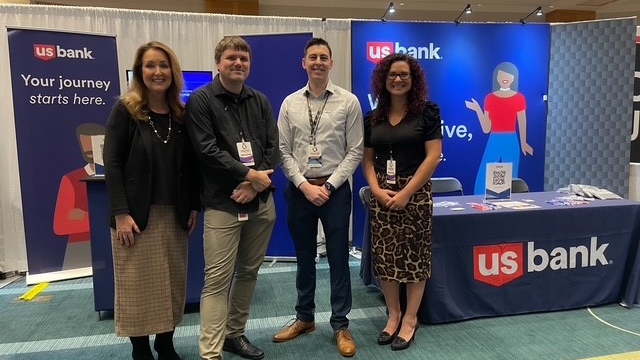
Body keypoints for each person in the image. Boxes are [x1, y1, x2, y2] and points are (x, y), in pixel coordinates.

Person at [103, 41, 201, 360]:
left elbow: (190, 167)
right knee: (136, 286)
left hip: (173, 213)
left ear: (173, 72)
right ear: (140, 71)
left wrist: (193, 206)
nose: (157, 72)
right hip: (135, 216)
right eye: (150, 65)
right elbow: (112, 163)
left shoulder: (180, 114)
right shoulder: (125, 110)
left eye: (163, 65)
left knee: (171, 283)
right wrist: (120, 213)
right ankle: (141, 349)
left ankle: (165, 343)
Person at [184, 36, 278, 360]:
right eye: (231, 58)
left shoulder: (260, 101)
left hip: (261, 202)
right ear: (218, 62)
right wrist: (248, 175)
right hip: (222, 205)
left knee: (249, 273)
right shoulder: (201, 100)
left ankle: (234, 335)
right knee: (217, 280)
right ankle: (210, 353)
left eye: (243, 58)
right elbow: (206, 151)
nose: (238, 63)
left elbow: (271, 148)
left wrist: (254, 184)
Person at [274, 37, 363, 358]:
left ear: (331, 63)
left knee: (339, 258)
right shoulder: (289, 103)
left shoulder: (348, 101)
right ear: (304, 63)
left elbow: (355, 151)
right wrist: (303, 185)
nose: (318, 62)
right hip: (299, 191)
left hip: (335, 191)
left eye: (324, 57)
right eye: (312, 57)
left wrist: (327, 187)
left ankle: (340, 324)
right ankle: (305, 317)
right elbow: (282, 150)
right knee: (304, 256)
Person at [362, 53, 442, 351]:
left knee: (415, 259)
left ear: (413, 79)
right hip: (382, 194)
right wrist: (377, 191)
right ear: (383, 80)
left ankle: (410, 318)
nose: (397, 79)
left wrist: (407, 192)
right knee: (386, 258)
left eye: (404, 75)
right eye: (392, 75)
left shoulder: (427, 112)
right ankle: (393, 314)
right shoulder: (373, 117)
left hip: (416, 194)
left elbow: (433, 156)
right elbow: (367, 162)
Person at [465, 61, 533, 194]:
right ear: (497, 78)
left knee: (511, 179)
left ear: (513, 78)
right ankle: (478, 207)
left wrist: (524, 142)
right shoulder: (490, 98)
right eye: (502, 76)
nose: (505, 79)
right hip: (494, 140)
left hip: (511, 140)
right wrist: (478, 109)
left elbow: (522, 121)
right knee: (483, 179)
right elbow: (486, 128)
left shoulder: (519, 98)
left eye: (508, 76)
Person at [53, 123, 105, 270]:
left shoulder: (122, 175)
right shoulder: (71, 179)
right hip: (80, 248)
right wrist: (101, 218)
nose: (91, 151)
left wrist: (82, 215)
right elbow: (61, 225)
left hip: (115, 242)